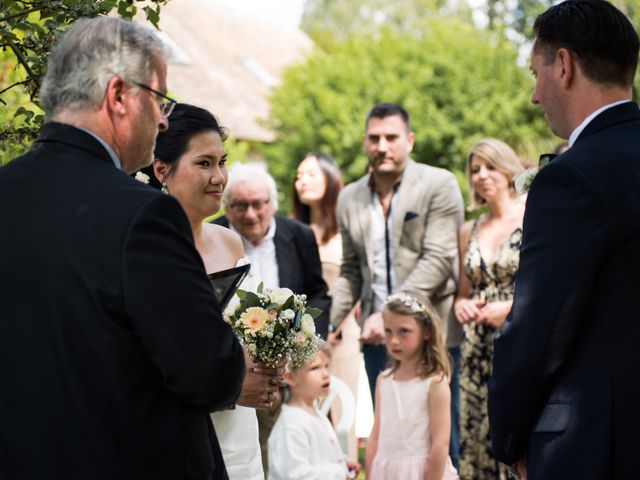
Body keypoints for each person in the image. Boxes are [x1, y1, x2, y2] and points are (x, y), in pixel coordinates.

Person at [0, 17, 245, 480]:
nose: (165, 118)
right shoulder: (144, 216)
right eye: (160, 99)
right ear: (118, 96)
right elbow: (209, 372)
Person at [488, 2, 640, 479]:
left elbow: (540, 324)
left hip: (599, 443)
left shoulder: (572, 178)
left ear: (564, 65)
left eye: (536, 73)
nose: (535, 95)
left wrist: (510, 436)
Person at [139, 103, 283, 480]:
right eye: (204, 163)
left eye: (222, 162)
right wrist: (233, 388)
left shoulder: (230, 243)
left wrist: (270, 361)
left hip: (241, 436)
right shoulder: (145, 252)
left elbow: (247, 332)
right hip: (184, 435)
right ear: (162, 169)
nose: (219, 177)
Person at [329, 103, 464, 402]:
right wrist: (323, 325)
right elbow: (351, 272)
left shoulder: (438, 184)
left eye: (391, 137)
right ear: (365, 142)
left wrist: (387, 313)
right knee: (389, 436)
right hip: (378, 342)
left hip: (433, 336)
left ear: (410, 140)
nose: (382, 146)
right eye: (374, 138)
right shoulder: (350, 198)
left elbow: (439, 258)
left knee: (441, 441)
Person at [215, 163, 331, 474]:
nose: (251, 214)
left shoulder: (300, 235)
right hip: (237, 372)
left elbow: (318, 292)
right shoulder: (212, 237)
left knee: (294, 444)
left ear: (272, 203)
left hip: (294, 364)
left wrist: (305, 341)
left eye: (258, 204)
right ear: (226, 206)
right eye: (240, 205)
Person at [453, 139, 525, 479]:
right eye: (475, 170)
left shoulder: (534, 213)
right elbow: (461, 293)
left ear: (508, 168)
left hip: (519, 342)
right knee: (476, 444)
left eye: (490, 167)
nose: (482, 176)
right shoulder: (470, 229)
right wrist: (463, 306)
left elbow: (552, 282)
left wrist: (511, 309)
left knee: (516, 442)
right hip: (476, 351)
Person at [291, 151, 361, 459]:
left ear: (331, 179)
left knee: (340, 413)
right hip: (300, 339)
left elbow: (357, 281)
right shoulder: (291, 232)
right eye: (298, 176)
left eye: (310, 174)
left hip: (340, 336)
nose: (301, 181)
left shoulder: (347, 231)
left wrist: (331, 329)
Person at [366, 291, 459, 480]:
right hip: (386, 472)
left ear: (426, 331)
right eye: (388, 331)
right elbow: (376, 434)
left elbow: (440, 443)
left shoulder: (434, 383)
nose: (393, 341)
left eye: (404, 331)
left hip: (421, 473)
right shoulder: (384, 381)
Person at [268, 346, 360, 480]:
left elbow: (321, 454)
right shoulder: (291, 425)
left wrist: (342, 463)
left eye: (326, 366)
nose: (325, 374)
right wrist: (339, 473)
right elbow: (296, 475)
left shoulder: (316, 413)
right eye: (315, 368)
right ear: (291, 378)